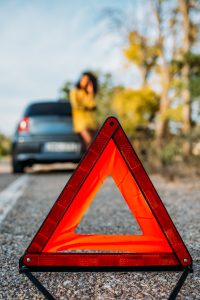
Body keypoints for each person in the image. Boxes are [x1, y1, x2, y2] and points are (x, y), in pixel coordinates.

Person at [69, 71, 98, 149]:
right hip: (80, 121)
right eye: (83, 79)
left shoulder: (88, 93)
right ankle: (90, 159)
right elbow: (75, 105)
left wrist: (90, 93)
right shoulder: (74, 91)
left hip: (91, 121)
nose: (84, 81)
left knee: (95, 142)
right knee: (89, 141)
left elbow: (93, 105)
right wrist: (87, 107)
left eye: (87, 80)